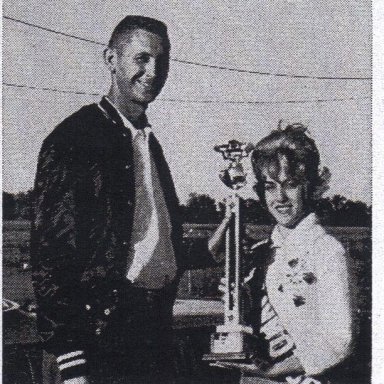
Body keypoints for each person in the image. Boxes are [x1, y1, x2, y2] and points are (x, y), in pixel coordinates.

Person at [31, 15, 214, 384]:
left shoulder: (148, 141)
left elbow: (145, 247)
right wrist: (71, 359)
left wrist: (210, 249)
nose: (153, 72)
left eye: (162, 61)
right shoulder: (74, 139)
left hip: (152, 334)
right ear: (111, 59)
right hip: (98, 344)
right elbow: (52, 257)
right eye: (142, 58)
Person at [208, 124, 353, 384]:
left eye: (291, 184)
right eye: (270, 186)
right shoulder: (258, 253)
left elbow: (339, 340)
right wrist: (239, 301)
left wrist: (274, 371)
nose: (281, 197)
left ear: (313, 186)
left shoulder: (327, 251)